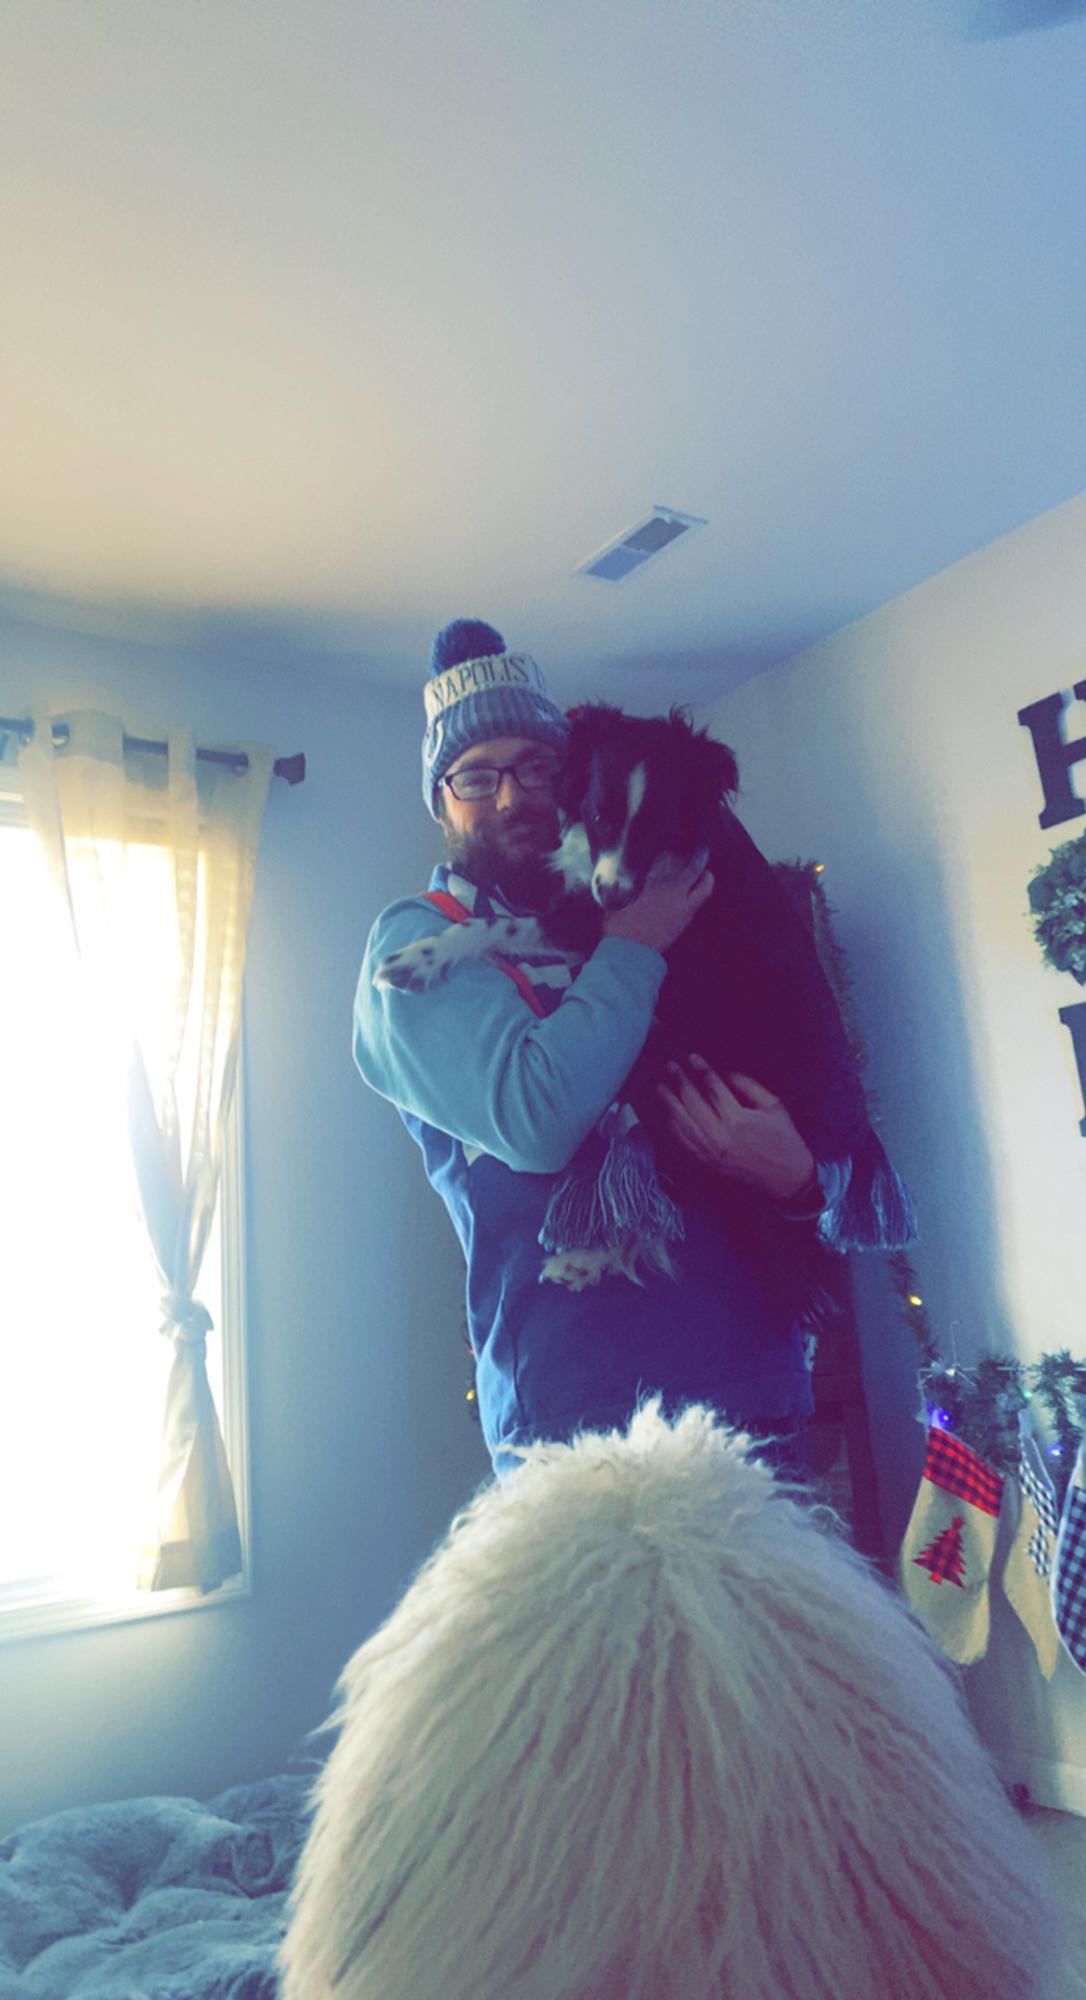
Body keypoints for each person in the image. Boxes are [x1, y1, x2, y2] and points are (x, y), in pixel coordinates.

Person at [353, 618, 850, 1478]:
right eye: (475, 776)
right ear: (440, 800)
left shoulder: (644, 896)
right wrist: (636, 944)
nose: (510, 798)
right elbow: (536, 1120)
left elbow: (777, 1068)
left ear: (574, 781)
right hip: (582, 1423)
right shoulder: (421, 943)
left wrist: (798, 1177)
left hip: (756, 1388)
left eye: (534, 767)